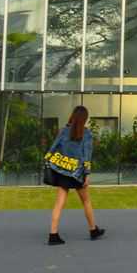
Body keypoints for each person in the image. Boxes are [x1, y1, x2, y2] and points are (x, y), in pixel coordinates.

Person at [43, 105, 105, 245]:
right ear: (84, 119)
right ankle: (93, 230)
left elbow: (52, 148)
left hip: (62, 171)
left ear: (72, 116)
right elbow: (87, 156)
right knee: (86, 201)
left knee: (59, 203)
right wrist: (87, 174)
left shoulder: (64, 131)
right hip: (77, 173)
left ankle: (53, 235)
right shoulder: (86, 134)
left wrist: (48, 161)